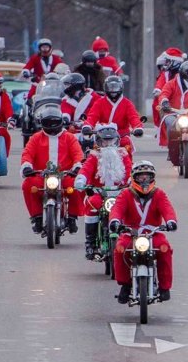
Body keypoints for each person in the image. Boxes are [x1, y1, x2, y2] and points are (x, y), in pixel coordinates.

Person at [109, 160, 178, 304]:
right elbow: (117, 209)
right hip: (130, 233)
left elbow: (167, 209)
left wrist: (171, 221)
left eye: (147, 176)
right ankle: (125, 285)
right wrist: (115, 221)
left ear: (153, 177)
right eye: (141, 177)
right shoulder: (126, 194)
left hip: (153, 233)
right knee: (120, 249)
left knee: (165, 249)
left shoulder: (158, 193)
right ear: (134, 178)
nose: (144, 180)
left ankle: (165, 288)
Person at [20, 105, 85, 234]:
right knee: (28, 185)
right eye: (48, 123)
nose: (52, 126)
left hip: (65, 175)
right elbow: (27, 154)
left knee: (77, 186)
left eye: (55, 122)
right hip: (42, 175)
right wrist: (27, 166)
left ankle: (72, 217)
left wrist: (77, 167)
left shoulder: (69, 137)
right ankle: (37, 217)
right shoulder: (36, 138)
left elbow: (78, 154)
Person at [73, 123, 132, 260]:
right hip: (99, 194)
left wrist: (131, 181)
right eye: (105, 141)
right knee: (92, 203)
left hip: (120, 194)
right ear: (98, 142)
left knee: (131, 206)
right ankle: (91, 243)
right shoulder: (94, 156)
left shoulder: (123, 155)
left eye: (111, 141)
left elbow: (130, 171)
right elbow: (85, 170)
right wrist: (81, 181)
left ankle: (131, 239)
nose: (108, 144)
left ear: (117, 141)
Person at [158, 59, 188, 167]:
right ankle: (171, 149)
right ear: (186, 74)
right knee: (170, 124)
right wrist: (164, 102)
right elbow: (164, 94)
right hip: (172, 112)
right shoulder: (172, 83)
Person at [85, 75, 143, 154]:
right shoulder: (99, 102)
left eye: (115, 87)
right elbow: (92, 116)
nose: (113, 90)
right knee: (94, 151)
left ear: (121, 87)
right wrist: (87, 126)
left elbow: (134, 117)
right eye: (110, 87)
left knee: (126, 145)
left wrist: (137, 128)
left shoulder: (127, 103)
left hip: (121, 135)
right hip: (102, 135)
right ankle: (95, 165)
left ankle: (128, 165)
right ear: (106, 88)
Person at [151, 47, 186, 116]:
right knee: (155, 104)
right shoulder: (165, 74)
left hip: (184, 103)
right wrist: (157, 91)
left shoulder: (185, 73)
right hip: (167, 103)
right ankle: (159, 125)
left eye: (168, 61)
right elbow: (160, 83)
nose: (166, 64)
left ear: (176, 62)